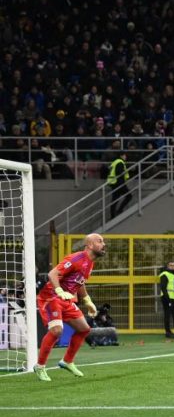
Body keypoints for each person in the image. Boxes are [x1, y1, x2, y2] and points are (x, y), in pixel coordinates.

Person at [34, 233, 107, 381]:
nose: (103, 244)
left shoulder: (90, 263)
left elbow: (79, 282)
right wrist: (59, 291)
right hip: (51, 297)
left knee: (84, 329)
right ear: (90, 245)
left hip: (66, 300)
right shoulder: (76, 258)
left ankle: (67, 361)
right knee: (57, 330)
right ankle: (40, 366)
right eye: (100, 241)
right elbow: (53, 274)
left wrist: (87, 300)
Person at [107, 151, 130, 219]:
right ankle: (119, 210)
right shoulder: (120, 162)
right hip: (118, 183)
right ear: (121, 156)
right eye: (125, 155)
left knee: (115, 199)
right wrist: (123, 184)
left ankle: (113, 215)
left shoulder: (115, 162)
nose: (126, 157)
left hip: (113, 183)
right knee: (129, 196)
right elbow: (119, 173)